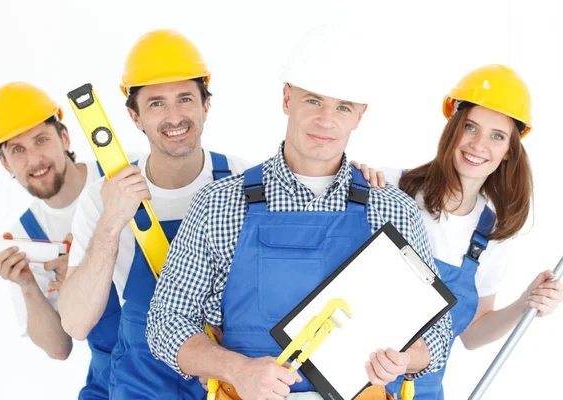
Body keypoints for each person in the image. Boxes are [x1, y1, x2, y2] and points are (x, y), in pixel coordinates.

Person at [146, 26, 453, 400]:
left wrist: (405, 359)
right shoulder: (220, 204)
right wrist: (237, 369)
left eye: (343, 107)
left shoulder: (391, 209)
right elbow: (166, 323)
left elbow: (436, 332)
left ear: (360, 115)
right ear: (287, 98)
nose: (327, 121)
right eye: (313, 101)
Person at [58, 29, 253, 399]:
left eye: (184, 99)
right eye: (156, 104)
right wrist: (112, 222)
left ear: (205, 106)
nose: (174, 116)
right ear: (135, 116)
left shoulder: (248, 185)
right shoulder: (102, 197)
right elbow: (76, 323)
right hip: (142, 385)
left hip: (226, 380)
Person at [357, 64, 563, 399]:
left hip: (422, 392)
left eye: (497, 136)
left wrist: (525, 304)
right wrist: (350, 181)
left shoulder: (491, 235)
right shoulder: (392, 187)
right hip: (354, 383)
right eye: (471, 127)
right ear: (453, 127)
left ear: (510, 149)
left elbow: (471, 334)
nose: (479, 144)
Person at [0, 81, 124, 399]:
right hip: (110, 377)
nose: (34, 160)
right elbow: (60, 350)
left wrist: (84, 270)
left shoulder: (120, 176)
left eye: (41, 140)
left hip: (170, 361)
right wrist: (28, 284)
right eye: (17, 150)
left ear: (64, 137)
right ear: (5, 163)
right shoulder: (24, 236)